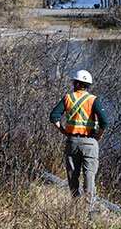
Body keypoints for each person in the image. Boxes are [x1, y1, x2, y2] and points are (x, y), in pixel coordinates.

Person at [49, 70, 109, 205]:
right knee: (89, 174)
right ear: (88, 85)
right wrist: (99, 135)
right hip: (89, 142)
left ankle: (75, 203)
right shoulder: (94, 100)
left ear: (76, 83)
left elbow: (54, 117)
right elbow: (104, 122)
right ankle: (89, 206)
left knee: (72, 174)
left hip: (72, 141)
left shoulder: (68, 98)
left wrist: (63, 131)